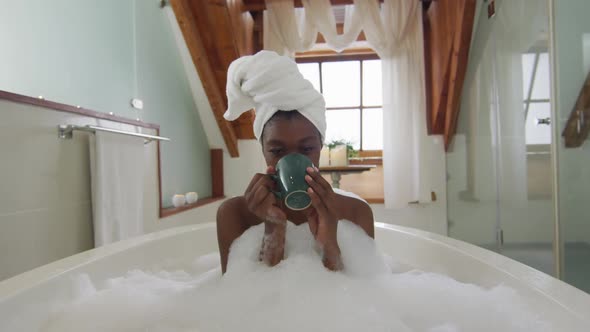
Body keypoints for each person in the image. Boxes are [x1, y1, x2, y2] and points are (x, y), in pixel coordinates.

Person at [216, 51, 374, 274]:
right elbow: (241, 299)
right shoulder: (234, 214)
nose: (291, 159)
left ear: (321, 146)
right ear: (262, 149)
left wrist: (329, 245)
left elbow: (361, 298)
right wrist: (274, 230)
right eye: (277, 150)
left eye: (307, 149)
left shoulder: (356, 212)